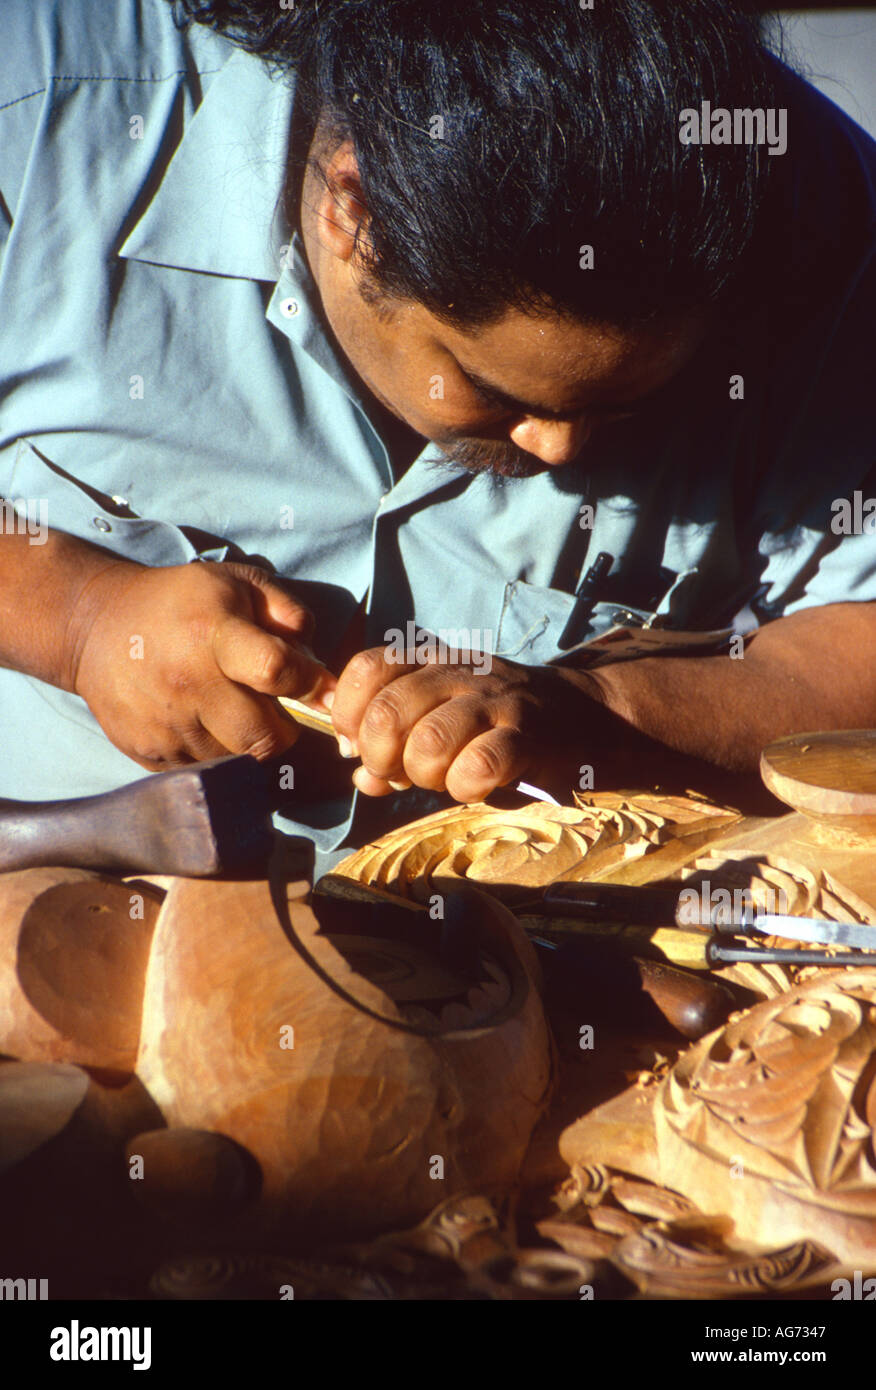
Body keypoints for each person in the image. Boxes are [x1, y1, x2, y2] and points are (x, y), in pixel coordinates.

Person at [0, 0, 874, 870]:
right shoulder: (40, 111)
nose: (561, 451)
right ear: (354, 212)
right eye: (495, 391)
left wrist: (598, 706)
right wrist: (80, 618)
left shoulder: (826, 224)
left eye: (628, 406)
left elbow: (855, 639)